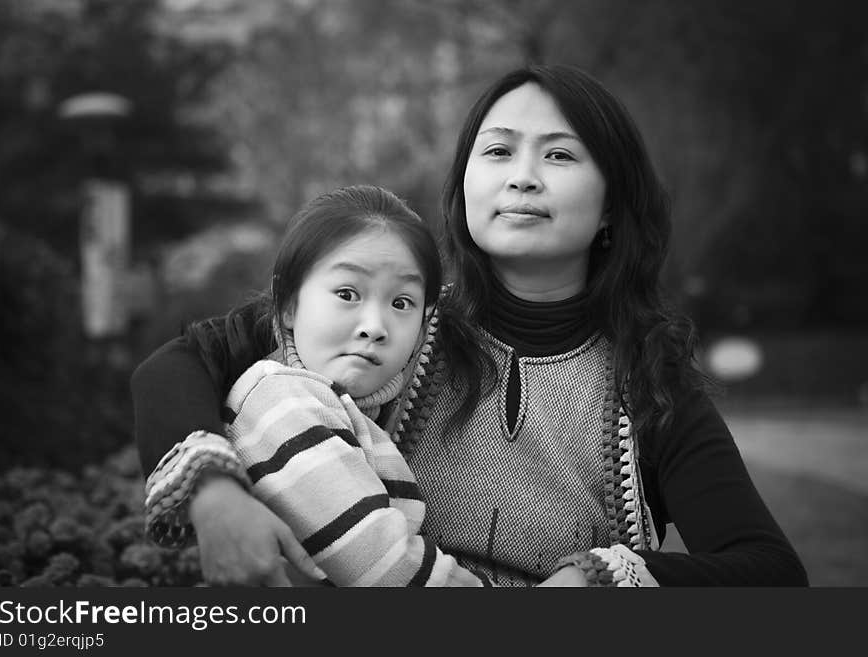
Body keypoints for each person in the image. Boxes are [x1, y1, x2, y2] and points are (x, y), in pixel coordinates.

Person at [132, 64, 808, 587]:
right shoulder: (389, 321)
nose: (522, 178)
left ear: (610, 207)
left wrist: (596, 577)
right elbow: (177, 365)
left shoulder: (648, 381)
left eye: (560, 156)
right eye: (498, 152)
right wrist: (214, 495)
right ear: (464, 187)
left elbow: (770, 570)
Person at [147, 185, 490, 587]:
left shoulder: (348, 406)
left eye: (401, 303)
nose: (375, 327)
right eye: (347, 294)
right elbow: (384, 569)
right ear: (288, 305)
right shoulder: (283, 400)